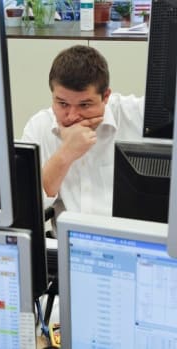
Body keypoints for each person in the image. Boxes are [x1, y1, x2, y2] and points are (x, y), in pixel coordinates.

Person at [21, 45, 145, 221]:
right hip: (66, 244)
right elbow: (24, 207)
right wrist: (65, 154)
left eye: (85, 105)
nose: (72, 116)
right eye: (62, 104)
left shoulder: (136, 115)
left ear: (106, 96)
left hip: (130, 242)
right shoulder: (39, 127)